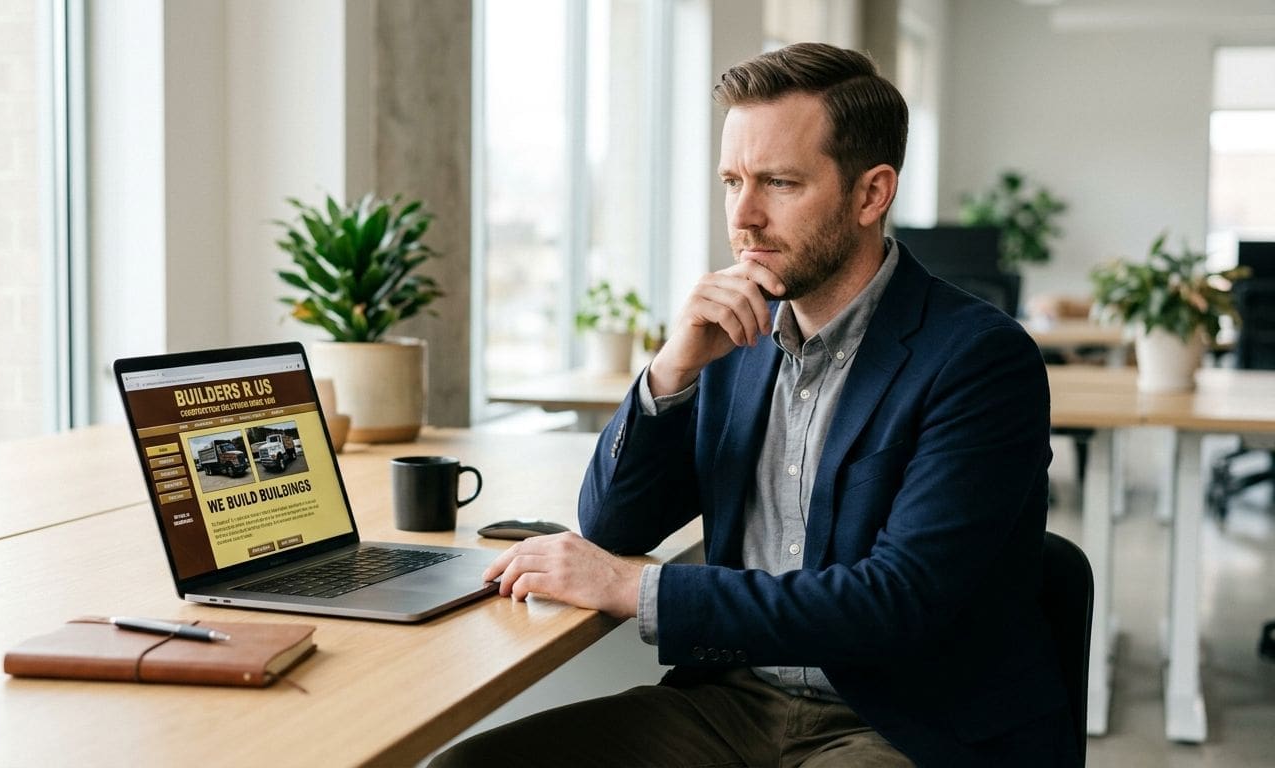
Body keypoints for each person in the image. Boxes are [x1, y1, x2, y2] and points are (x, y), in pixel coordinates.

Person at [433, 42, 1071, 767]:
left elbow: (896, 605)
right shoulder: (737, 339)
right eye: (732, 180)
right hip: (732, 704)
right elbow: (615, 523)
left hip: (904, 720)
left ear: (872, 194)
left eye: (779, 183)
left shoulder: (978, 358)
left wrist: (634, 589)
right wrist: (673, 368)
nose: (744, 216)